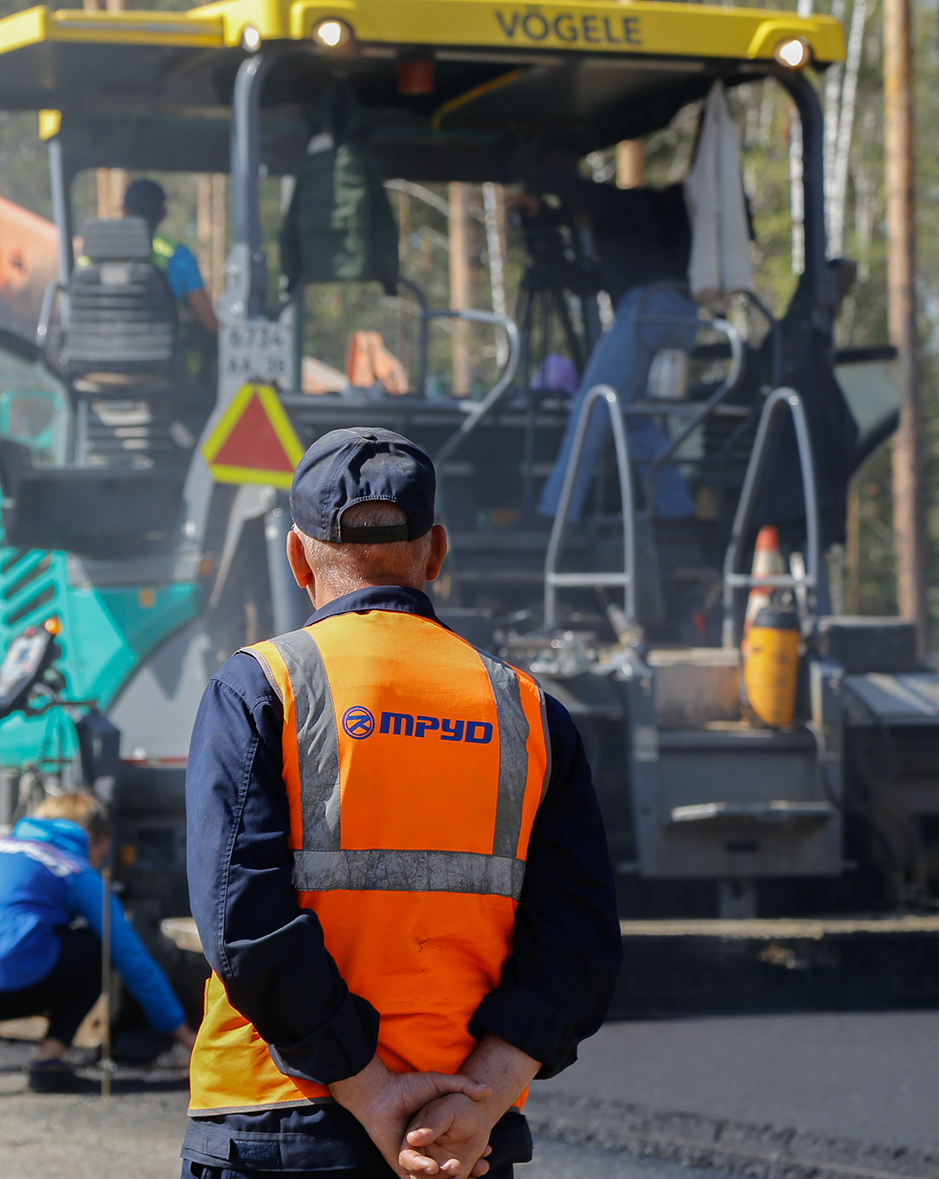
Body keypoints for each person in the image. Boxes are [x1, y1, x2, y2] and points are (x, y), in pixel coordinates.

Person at [183, 428, 623, 1179]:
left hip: (277, 1121)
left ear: (298, 557)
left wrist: (371, 1089)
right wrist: (483, 1098)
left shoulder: (260, 687)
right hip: (461, 1137)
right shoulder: (527, 711)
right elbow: (579, 941)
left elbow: (244, 922)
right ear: (437, 552)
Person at [0, 791, 197, 1095]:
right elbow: (131, 957)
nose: (102, 858)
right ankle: (47, 1063)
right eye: (104, 851)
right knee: (94, 948)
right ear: (93, 838)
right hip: (3, 985)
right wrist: (184, 1036)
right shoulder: (72, 867)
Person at [122, 178, 222, 335]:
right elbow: (210, 323)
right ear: (163, 215)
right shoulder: (178, 255)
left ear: (124, 211)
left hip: (95, 357)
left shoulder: (91, 256)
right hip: (164, 356)